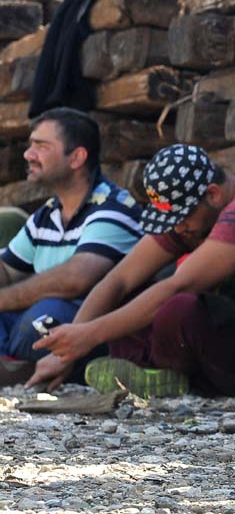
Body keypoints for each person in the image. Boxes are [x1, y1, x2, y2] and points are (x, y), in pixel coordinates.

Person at [26, 144, 235, 397]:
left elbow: (179, 286)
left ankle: (160, 374)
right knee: (130, 294)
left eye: (180, 219)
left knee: (180, 307)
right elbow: (119, 279)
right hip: (220, 342)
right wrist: (68, 347)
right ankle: (155, 375)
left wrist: (88, 337)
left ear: (213, 194)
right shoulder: (194, 214)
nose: (178, 228)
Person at [0, 107, 141, 386]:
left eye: (41, 146)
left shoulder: (112, 207)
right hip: (39, 327)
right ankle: (17, 369)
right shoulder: (48, 214)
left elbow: (76, 280)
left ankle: (20, 371)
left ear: (76, 157)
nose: (29, 155)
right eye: (30, 145)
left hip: (94, 331)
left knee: (45, 315)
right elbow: (7, 268)